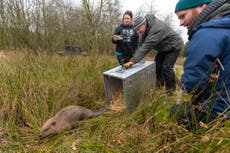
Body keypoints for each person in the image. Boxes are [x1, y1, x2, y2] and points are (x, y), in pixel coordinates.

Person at [171, 0, 230, 130]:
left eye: (183, 16)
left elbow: (192, 83)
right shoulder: (225, 26)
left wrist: (183, 83)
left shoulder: (207, 33)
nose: (180, 23)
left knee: (175, 112)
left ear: (202, 7)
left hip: (220, 109)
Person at [124, 14, 184, 94]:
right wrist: (132, 58)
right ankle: (159, 85)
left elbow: (146, 46)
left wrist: (133, 61)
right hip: (163, 48)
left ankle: (170, 91)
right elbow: (141, 46)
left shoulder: (156, 29)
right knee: (156, 66)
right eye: (136, 30)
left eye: (138, 29)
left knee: (166, 67)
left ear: (144, 24)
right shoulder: (145, 30)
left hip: (174, 46)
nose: (138, 31)